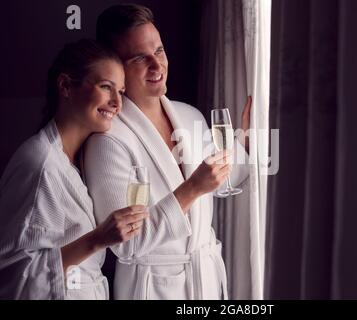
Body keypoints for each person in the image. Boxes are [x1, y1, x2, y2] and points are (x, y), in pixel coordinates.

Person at [83, 4, 251, 300]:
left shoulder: (190, 116)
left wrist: (247, 139)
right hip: (152, 289)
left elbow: (223, 181)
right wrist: (192, 188)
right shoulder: (107, 142)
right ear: (116, 67)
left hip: (207, 282)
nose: (156, 65)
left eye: (159, 51)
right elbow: (126, 245)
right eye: (139, 57)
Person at [0, 39, 149, 299]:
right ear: (66, 86)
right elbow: (12, 276)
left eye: (121, 92)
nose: (117, 102)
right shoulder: (39, 164)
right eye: (106, 87)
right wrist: (97, 239)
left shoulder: (80, 158)